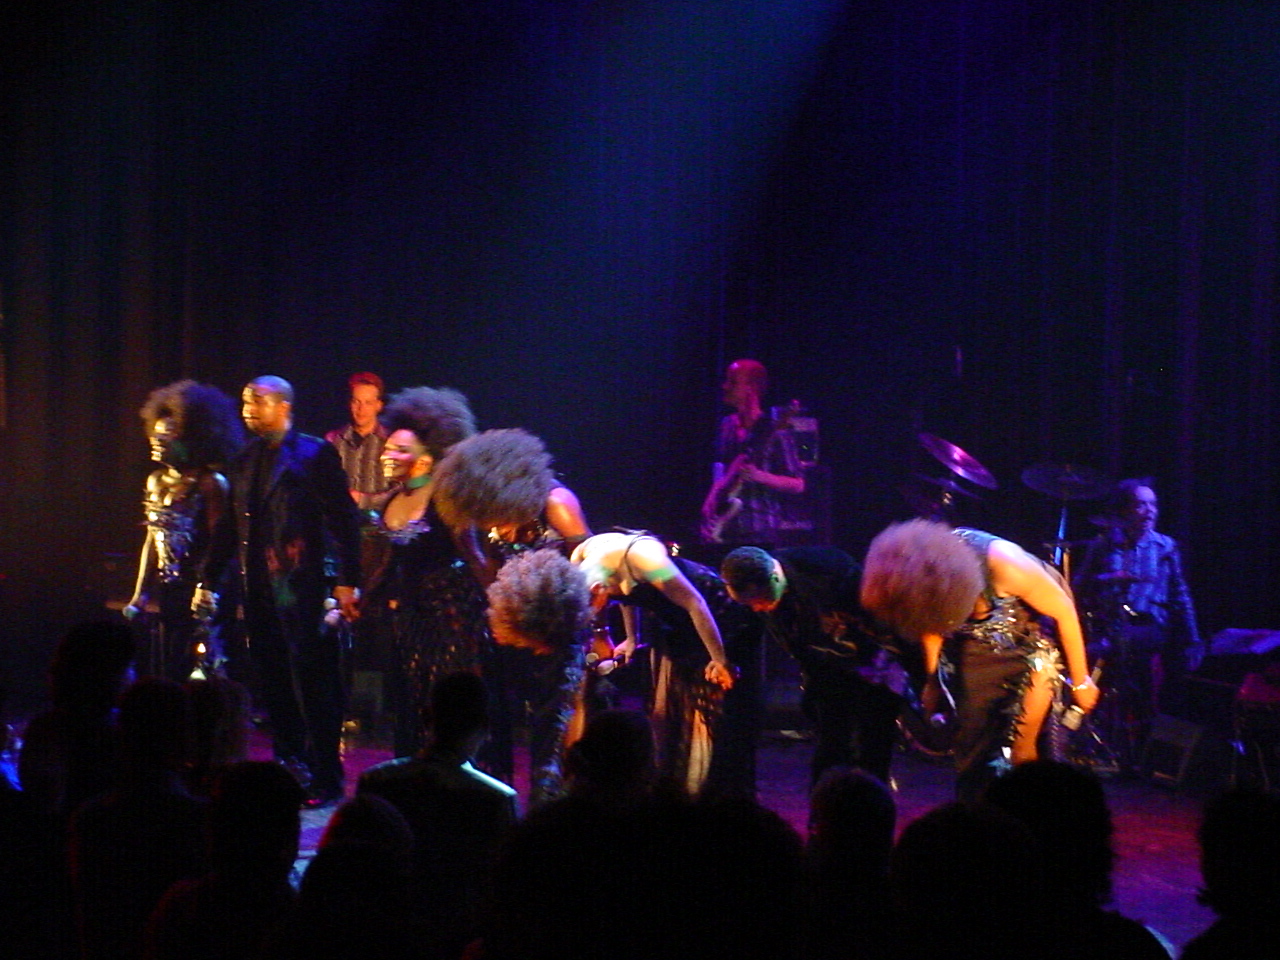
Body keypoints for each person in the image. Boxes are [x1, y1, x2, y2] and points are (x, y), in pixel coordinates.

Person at [200, 375, 362, 807]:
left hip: (303, 588)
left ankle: (325, 776)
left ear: (284, 406)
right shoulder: (243, 459)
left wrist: (347, 579)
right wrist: (209, 579)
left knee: (313, 682)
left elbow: (344, 519)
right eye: (245, 403)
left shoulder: (314, 454)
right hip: (258, 591)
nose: (248, 410)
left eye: (258, 402)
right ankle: (290, 765)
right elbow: (229, 526)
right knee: (272, 683)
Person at [860, 519, 1099, 800]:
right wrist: (934, 681)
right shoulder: (923, 580)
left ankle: (1028, 814)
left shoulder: (1004, 564)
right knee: (973, 748)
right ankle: (976, 812)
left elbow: (1065, 612)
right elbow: (931, 625)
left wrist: (1081, 681)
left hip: (1031, 645)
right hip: (974, 648)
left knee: (1020, 748)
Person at [363, 386, 495, 761]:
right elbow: (389, 565)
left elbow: (475, 558)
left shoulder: (446, 499)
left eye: (400, 450)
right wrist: (359, 600)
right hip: (410, 618)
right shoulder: (390, 500)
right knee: (413, 697)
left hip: (452, 615)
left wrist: (501, 605)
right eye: (388, 448)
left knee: (449, 697)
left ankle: (458, 768)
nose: (388, 455)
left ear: (425, 459)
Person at [569, 532, 743, 795]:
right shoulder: (581, 557)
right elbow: (627, 594)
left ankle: (702, 790)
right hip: (670, 618)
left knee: (702, 702)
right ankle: (669, 785)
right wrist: (631, 637)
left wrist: (719, 660)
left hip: (712, 611)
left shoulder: (648, 561)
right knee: (667, 703)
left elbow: (695, 603)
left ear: (595, 590)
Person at [358, 671, 517, 955]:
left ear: (425, 718)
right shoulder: (496, 798)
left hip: (384, 935)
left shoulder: (376, 780)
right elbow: (501, 890)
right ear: (486, 726)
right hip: (460, 940)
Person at [721, 545, 905, 788]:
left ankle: (871, 802)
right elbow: (751, 631)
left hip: (872, 669)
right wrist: (725, 661)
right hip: (824, 672)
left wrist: (885, 662)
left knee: (873, 745)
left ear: (774, 577)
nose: (756, 608)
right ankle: (827, 804)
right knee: (831, 746)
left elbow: (880, 621)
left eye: (759, 600)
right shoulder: (758, 588)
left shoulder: (827, 573)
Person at [123, 380, 244, 681]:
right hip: (170, 589)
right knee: (169, 663)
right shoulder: (155, 481)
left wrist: (207, 588)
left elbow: (220, 543)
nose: (157, 440)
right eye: (156, 434)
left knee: (205, 668)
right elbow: (152, 539)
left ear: (192, 439)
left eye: (168, 435)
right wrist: (140, 593)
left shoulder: (211, 484)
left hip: (202, 591)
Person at [1073, 479, 1201, 737]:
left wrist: (1193, 639)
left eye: (1153, 505)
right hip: (1109, 623)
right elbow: (1080, 586)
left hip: (1148, 624)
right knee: (1092, 653)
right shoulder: (1104, 544)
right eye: (1141, 505)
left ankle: (1140, 733)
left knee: (1122, 652)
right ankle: (1088, 730)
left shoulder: (1165, 546)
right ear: (1124, 510)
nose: (1149, 511)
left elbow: (1180, 594)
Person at [485, 548, 594, 804]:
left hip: (559, 661)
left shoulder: (567, 662)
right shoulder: (540, 641)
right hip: (548, 660)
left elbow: (571, 713)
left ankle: (552, 796)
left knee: (556, 727)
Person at [431, 427, 590, 586]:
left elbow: (590, 567)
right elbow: (493, 584)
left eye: (501, 525)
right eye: (490, 526)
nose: (496, 533)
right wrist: (474, 557)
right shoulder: (484, 518)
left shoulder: (558, 504)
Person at [700, 358, 811, 546]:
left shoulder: (777, 430)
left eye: (733, 382)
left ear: (750, 388)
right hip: (726, 529)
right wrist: (713, 495)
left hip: (759, 528)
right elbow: (723, 470)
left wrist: (760, 476)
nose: (725, 386)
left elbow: (798, 484)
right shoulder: (727, 425)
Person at [325, 371, 392, 510]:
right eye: (356, 402)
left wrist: (363, 500)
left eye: (368, 403)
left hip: (379, 521)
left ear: (378, 405)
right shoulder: (333, 441)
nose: (361, 409)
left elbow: (399, 491)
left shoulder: (391, 443)